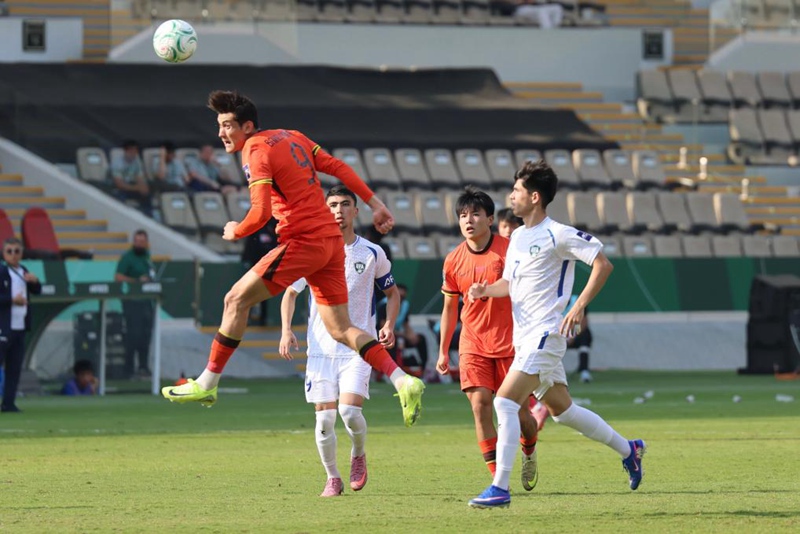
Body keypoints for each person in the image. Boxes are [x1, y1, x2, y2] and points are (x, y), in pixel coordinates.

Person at [162, 90, 424, 427]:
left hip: (305, 241)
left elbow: (259, 213)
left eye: (228, 125)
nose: (222, 133)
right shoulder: (293, 136)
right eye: (219, 126)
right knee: (342, 329)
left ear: (248, 126)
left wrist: (235, 230)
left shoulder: (254, 150)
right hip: (330, 243)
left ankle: (207, 384)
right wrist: (374, 203)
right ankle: (403, 380)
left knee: (235, 299)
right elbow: (338, 166)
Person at [467, 160, 645, 508]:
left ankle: (500, 488)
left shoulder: (557, 233)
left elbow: (603, 264)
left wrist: (577, 307)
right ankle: (630, 449)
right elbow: (512, 284)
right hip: (525, 339)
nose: (511, 196)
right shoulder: (517, 236)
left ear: (534, 197)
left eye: (516, 191)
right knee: (563, 411)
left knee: (503, 402)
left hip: (546, 335)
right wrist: (487, 290)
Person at [279, 185, 401, 497]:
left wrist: (388, 323)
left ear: (355, 211)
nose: (338, 210)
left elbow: (391, 292)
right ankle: (332, 477)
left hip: (359, 349)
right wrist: (286, 330)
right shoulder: (313, 253)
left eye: (345, 204)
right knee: (324, 419)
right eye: (332, 204)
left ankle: (358, 453)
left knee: (348, 413)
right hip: (320, 350)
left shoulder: (372, 252)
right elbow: (290, 293)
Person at [436, 187, 539, 492]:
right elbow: (450, 307)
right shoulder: (453, 260)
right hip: (473, 344)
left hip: (513, 344)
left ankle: (530, 449)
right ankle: (497, 479)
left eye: (475, 214)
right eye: (463, 215)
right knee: (481, 405)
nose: (469, 220)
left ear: (491, 219)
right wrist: (443, 351)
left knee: (521, 415)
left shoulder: (511, 250)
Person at [0, 237, 42, 413]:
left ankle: (9, 403)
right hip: (3, 326)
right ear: (3, 253)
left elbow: (37, 291)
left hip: (19, 327)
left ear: (22, 253)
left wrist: (35, 282)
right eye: (9, 251)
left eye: (16, 251)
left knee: (15, 368)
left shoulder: (23, 271)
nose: (13, 255)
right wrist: (11, 301)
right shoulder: (1, 272)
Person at [115, 230, 156, 379]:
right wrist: (137, 282)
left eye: (142, 241)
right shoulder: (127, 257)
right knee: (133, 335)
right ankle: (128, 368)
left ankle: (143, 366)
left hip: (146, 302)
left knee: (146, 335)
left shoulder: (147, 257)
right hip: (132, 303)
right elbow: (118, 277)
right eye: (136, 241)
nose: (139, 244)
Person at [110, 140, 152, 216]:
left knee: (146, 194)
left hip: (131, 186)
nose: (134, 154)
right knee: (119, 197)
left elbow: (139, 177)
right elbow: (119, 184)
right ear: (126, 151)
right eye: (132, 151)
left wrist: (143, 187)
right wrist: (137, 188)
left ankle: (148, 216)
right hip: (118, 188)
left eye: (136, 151)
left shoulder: (136, 161)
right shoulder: (117, 163)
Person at [565, 294, 593, 383]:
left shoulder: (577, 301)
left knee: (584, 336)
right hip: (560, 334)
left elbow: (583, 321)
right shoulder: (553, 301)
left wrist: (573, 335)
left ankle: (584, 371)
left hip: (576, 332)